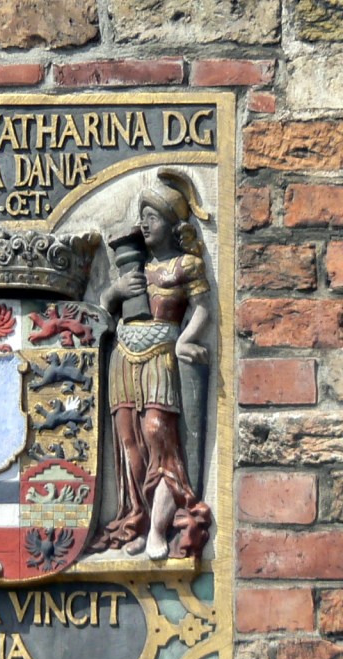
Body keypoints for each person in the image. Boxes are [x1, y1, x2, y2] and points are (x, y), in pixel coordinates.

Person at [94, 170, 212, 560]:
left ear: (172, 224)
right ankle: (138, 522)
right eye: (142, 216)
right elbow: (103, 312)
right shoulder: (134, 269)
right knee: (129, 442)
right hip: (123, 356)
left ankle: (161, 529)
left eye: (153, 217)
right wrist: (113, 293)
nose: (144, 224)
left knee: (158, 433)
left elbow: (202, 310)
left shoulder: (186, 265)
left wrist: (186, 340)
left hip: (161, 355)